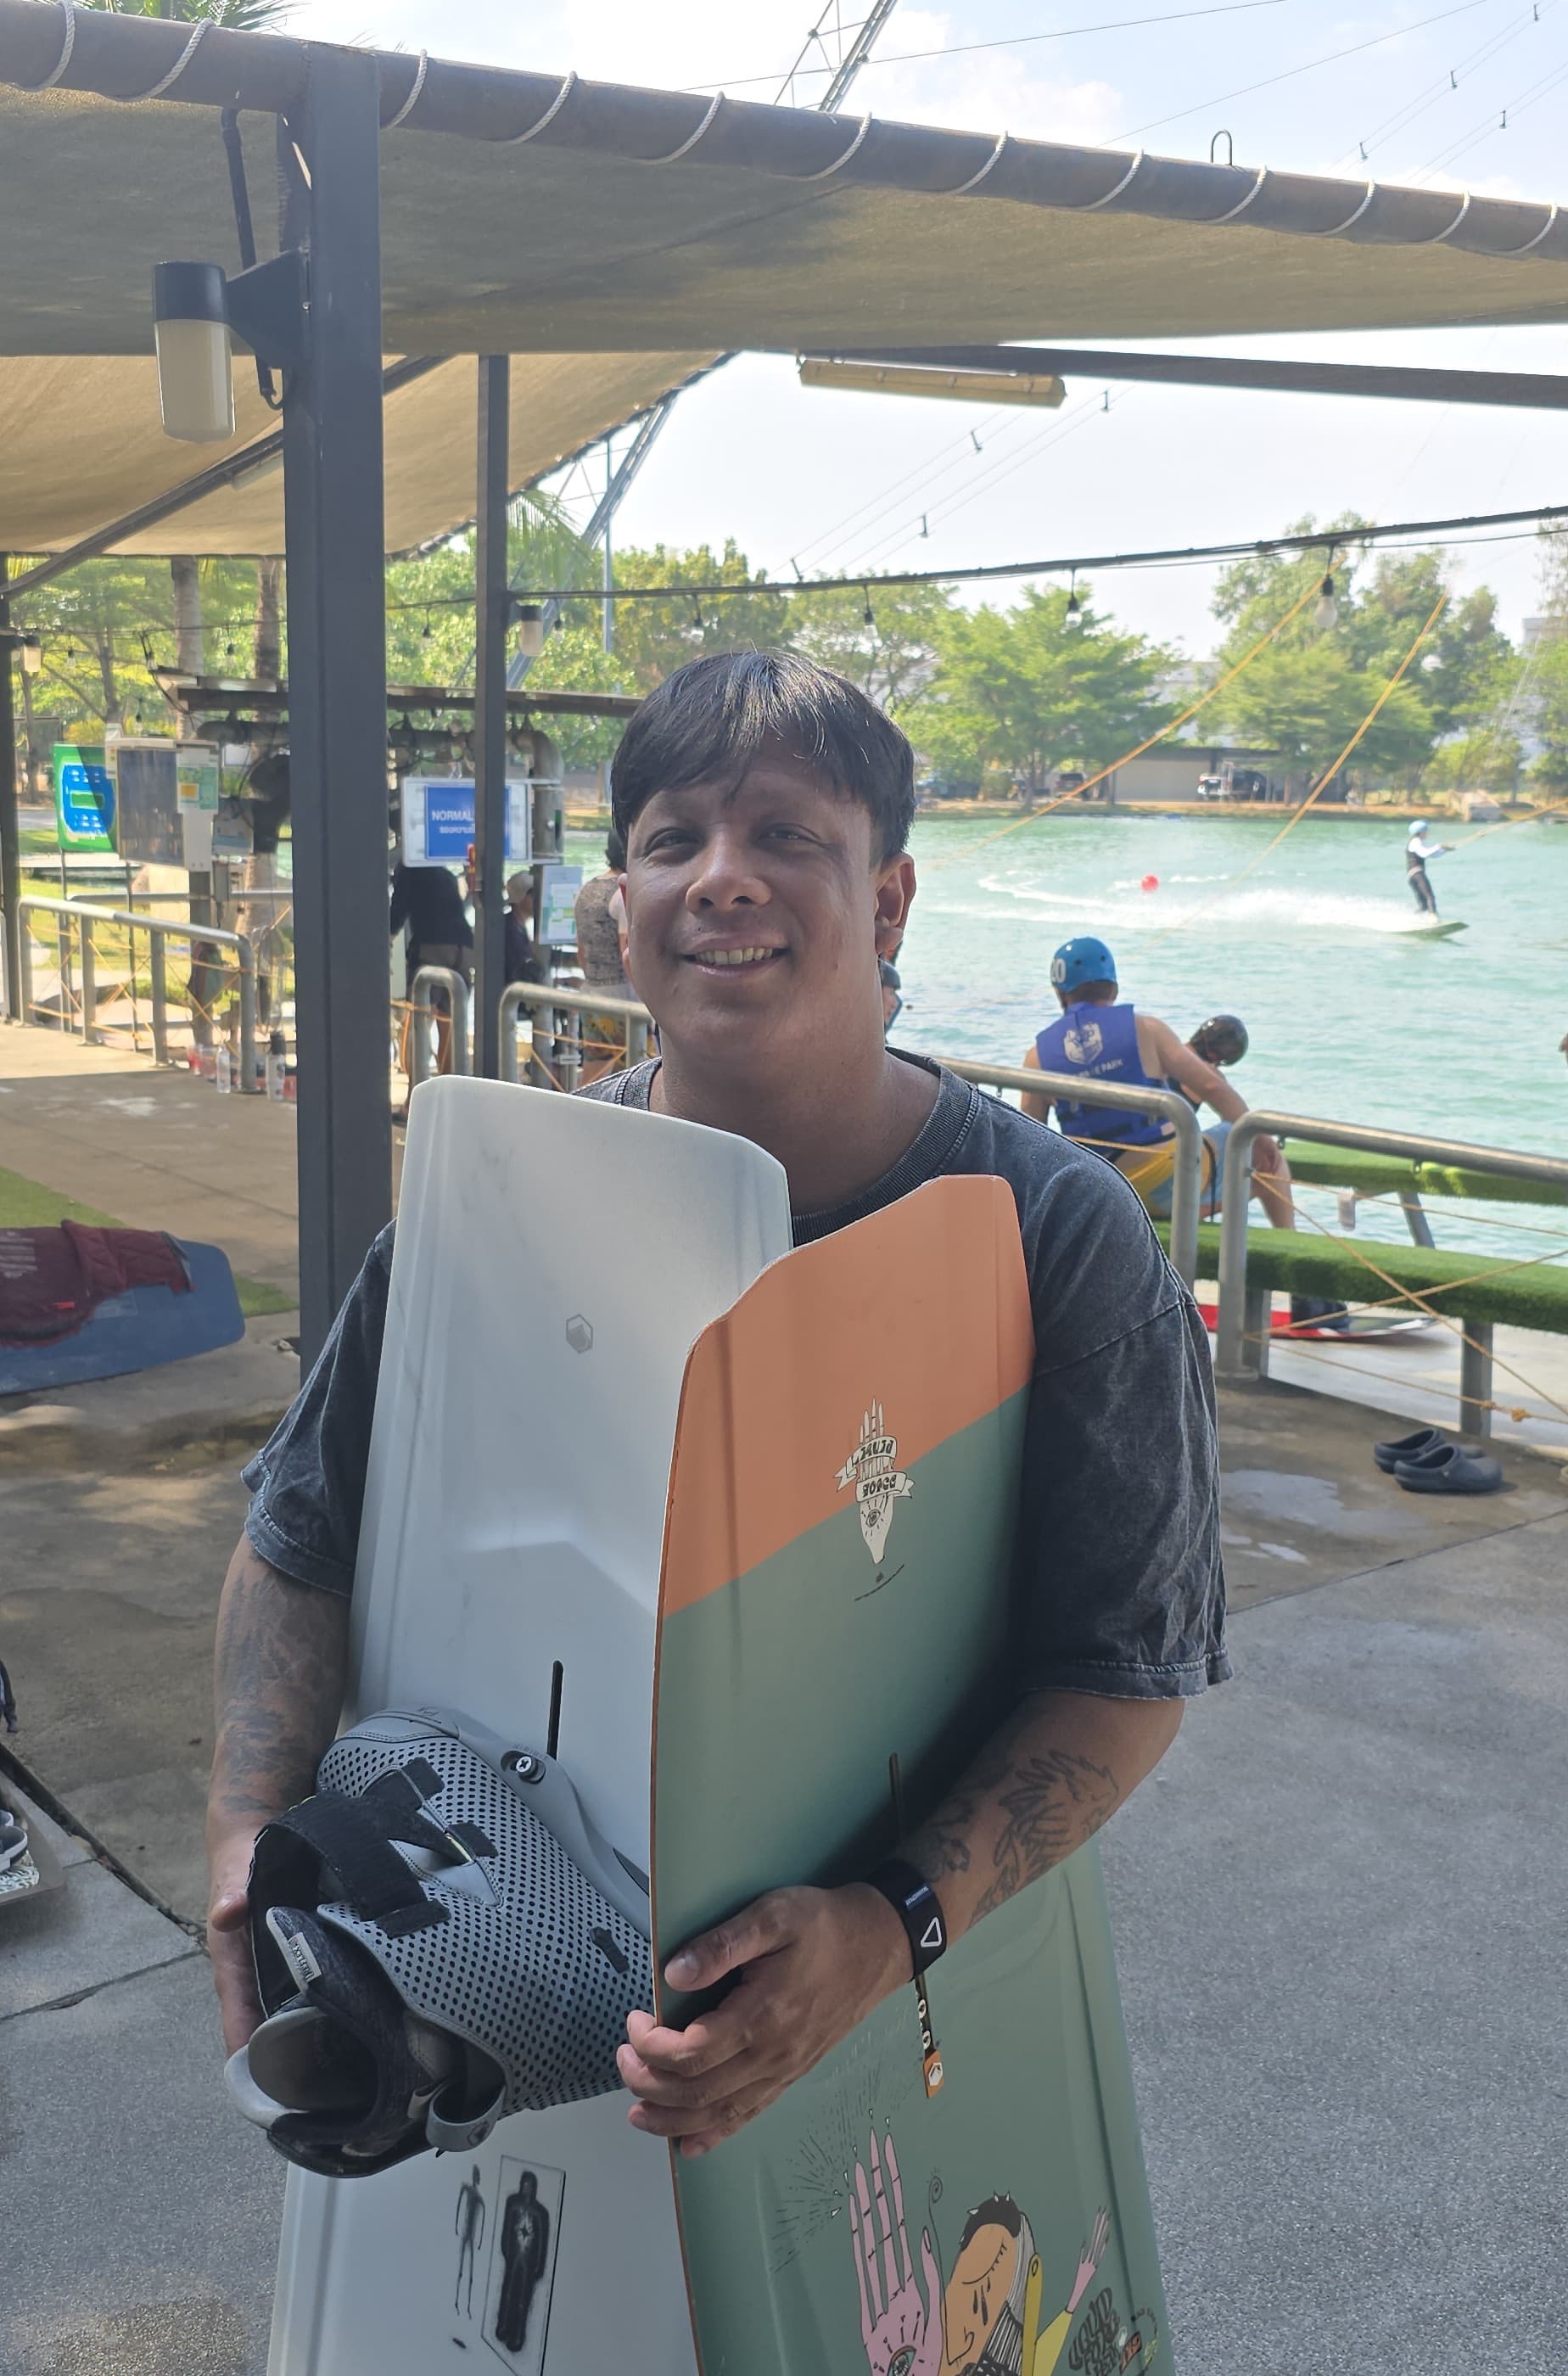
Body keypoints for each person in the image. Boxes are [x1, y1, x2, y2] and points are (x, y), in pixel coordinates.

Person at [207, 651, 1226, 2165]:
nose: (721, 881)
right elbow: (302, 1536)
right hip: (491, 1979)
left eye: (787, 838)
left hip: (907, 2017)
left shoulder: (1050, 1234)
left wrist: (887, 1934)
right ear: (618, 910)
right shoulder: (499, 1201)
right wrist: (245, 1830)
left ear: (887, 902)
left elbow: (1125, 1670)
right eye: (672, 840)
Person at [1021, 939, 1296, 1230]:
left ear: (1059, 992)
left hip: (1097, 1191)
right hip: (1166, 1184)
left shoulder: (1036, 1056)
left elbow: (1030, 1142)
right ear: (1113, 987)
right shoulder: (1146, 1029)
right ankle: (1289, 1240)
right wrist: (1262, 1138)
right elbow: (1212, 1086)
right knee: (1255, 1147)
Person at [390, 859, 473, 1077]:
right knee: (452, 1023)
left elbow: (398, 909)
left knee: (418, 1020)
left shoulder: (409, 869)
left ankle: (414, 1094)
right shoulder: (445, 874)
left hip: (433, 947)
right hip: (465, 948)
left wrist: (386, 937)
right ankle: (450, 1088)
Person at [1404, 818, 1453, 915]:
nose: (1427, 833)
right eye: (1426, 831)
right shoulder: (1415, 841)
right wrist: (1439, 846)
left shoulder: (1416, 842)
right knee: (1429, 897)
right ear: (1420, 832)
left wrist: (1444, 850)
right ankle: (1433, 918)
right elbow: (1424, 853)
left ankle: (1413, 920)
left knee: (1424, 906)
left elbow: (1433, 855)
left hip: (1412, 877)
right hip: (1417, 874)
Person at [503, 871, 544, 987]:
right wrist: (563, 981)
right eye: (534, 893)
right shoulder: (509, 930)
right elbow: (520, 971)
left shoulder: (515, 925)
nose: (539, 898)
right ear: (521, 898)